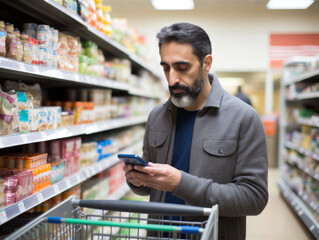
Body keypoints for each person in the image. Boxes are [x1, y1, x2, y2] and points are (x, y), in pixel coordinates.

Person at [123, 22, 268, 240]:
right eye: (166, 68)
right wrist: (137, 180)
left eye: (182, 68)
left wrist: (181, 184)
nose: (172, 79)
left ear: (206, 63)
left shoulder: (243, 118)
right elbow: (148, 187)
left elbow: (254, 198)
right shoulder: (157, 116)